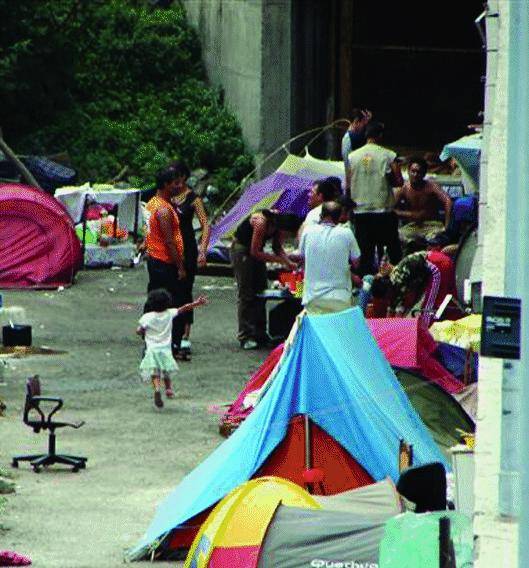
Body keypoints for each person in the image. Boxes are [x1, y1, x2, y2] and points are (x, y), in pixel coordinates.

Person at [231, 210, 303, 350]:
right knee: (247, 294)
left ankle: (260, 332)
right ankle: (245, 335)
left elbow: (277, 248)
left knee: (261, 291)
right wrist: (280, 261)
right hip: (243, 250)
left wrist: (287, 260)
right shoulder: (261, 222)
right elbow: (254, 251)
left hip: (258, 251)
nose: (285, 237)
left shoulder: (278, 228)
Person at [347, 121, 403, 275]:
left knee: (365, 252)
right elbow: (398, 181)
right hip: (383, 210)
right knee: (392, 251)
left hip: (361, 211)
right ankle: (395, 281)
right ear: (380, 136)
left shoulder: (352, 156)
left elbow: (348, 183)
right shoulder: (388, 155)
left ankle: (366, 285)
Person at [137, 289, 208, 408]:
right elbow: (184, 308)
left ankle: (157, 389)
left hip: (152, 350)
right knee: (166, 371)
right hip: (165, 349)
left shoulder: (147, 317)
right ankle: (168, 388)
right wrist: (197, 303)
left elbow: (139, 330)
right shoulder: (169, 313)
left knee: (155, 372)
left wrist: (142, 332)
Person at [145, 165, 188, 356]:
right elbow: (169, 240)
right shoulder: (162, 209)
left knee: (155, 301)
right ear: (166, 185)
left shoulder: (154, 203)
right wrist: (180, 266)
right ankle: (169, 343)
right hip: (164, 262)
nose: (180, 186)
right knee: (170, 304)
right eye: (175, 183)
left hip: (156, 259)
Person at [170, 162, 211, 359]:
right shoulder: (166, 197)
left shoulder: (194, 199)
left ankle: (185, 335)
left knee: (185, 291)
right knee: (169, 290)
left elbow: (205, 225)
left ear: (185, 178)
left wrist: (203, 250)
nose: (176, 183)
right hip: (169, 249)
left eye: (178, 178)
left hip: (188, 248)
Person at [299, 201, 360, 314]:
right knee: (338, 330)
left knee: (318, 330)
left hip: (313, 298)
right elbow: (356, 262)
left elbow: (302, 259)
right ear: (339, 217)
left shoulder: (307, 232)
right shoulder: (347, 233)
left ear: (321, 215)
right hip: (340, 298)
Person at [394, 156, 452, 244]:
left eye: (419, 172)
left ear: (424, 174)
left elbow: (448, 201)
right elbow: (390, 209)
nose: (415, 175)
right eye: (413, 171)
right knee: (398, 237)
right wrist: (409, 214)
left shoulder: (431, 186)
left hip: (432, 225)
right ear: (408, 171)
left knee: (435, 239)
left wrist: (447, 227)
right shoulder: (404, 188)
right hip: (412, 226)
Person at [342, 108, 372, 197]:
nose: (364, 125)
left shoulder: (353, 136)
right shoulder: (350, 138)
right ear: (356, 121)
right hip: (354, 183)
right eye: (363, 122)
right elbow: (348, 164)